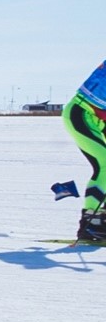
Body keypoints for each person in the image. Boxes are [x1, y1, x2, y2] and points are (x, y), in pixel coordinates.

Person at [65, 59, 106, 243]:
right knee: (105, 165)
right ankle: (91, 222)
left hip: (98, 120)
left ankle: (101, 218)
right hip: (82, 113)